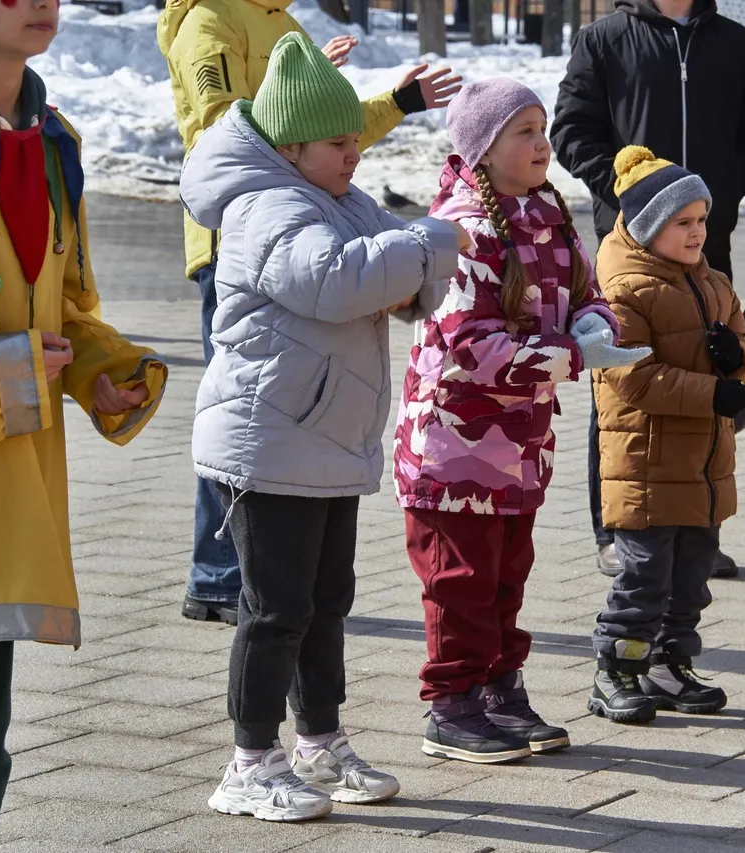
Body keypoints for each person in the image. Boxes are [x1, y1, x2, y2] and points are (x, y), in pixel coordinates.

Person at [177, 33, 464, 822]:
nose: (355, 155)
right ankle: (248, 760)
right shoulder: (267, 204)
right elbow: (338, 282)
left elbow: (405, 288)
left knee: (325, 600)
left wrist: (408, 270)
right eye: (340, 144)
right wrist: (429, 241)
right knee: (274, 609)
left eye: (354, 141)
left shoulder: (338, 198)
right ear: (292, 143)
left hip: (325, 438)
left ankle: (319, 740)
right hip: (268, 440)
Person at [158, 0, 462, 627]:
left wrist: (391, 105)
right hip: (245, 245)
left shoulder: (283, 24)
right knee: (251, 411)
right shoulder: (210, 21)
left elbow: (325, 132)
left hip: (312, 230)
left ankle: (274, 581)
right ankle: (220, 578)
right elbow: (233, 133)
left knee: (289, 410)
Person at [0, 0, 169, 847]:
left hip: (4, 504)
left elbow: (63, 308)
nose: (38, 2)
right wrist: (0, 372)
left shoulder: (55, 142)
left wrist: (96, 368)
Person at [395, 79, 650, 764]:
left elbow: (586, 295)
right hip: (451, 449)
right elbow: (464, 348)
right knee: (461, 582)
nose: (541, 143)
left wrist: (595, 324)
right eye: (523, 131)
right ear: (483, 148)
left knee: (507, 575)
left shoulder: (547, 217)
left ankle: (500, 688)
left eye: (542, 128)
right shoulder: (465, 231)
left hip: (517, 448)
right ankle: (450, 704)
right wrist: (570, 354)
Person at [551, 0, 745, 578]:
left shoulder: (735, 42)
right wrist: (634, 195)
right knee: (624, 384)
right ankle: (617, 532)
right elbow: (572, 131)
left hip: (706, 246)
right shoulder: (604, 39)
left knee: (709, 377)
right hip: (627, 255)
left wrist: (716, 196)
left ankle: (700, 532)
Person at [587, 147, 745, 723]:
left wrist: (740, 358)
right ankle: (617, 670)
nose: (696, 233)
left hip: (704, 462)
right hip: (646, 462)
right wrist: (716, 393)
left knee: (691, 578)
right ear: (647, 227)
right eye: (682, 223)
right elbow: (632, 376)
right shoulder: (624, 291)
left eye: (702, 220)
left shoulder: (710, 281)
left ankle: (669, 664)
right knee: (644, 578)